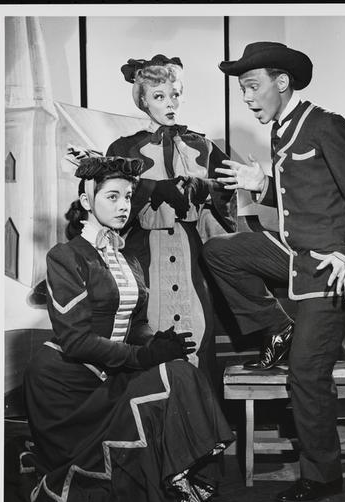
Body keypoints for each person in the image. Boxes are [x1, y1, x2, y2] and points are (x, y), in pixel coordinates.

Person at [202, 42, 345, 502]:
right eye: (242, 90)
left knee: (306, 374)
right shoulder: (283, 130)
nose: (246, 98)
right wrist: (262, 185)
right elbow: (306, 201)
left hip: (332, 270)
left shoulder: (326, 125)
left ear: (282, 82)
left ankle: (322, 477)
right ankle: (276, 326)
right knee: (220, 252)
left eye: (252, 86)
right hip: (297, 255)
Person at [21, 156, 234, 502]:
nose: (123, 206)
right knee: (169, 376)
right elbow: (76, 341)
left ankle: (179, 485)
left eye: (128, 197)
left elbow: (136, 325)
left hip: (111, 370)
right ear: (87, 201)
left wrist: (156, 341)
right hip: (66, 383)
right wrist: (144, 356)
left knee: (180, 370)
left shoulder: (128, 259)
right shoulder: (66, 257)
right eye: (113, 197)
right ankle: (172, 491)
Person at [106, 54, 236, 381]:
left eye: (175, 94)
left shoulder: (203, 146)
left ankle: (199, 409)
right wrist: (152, 189)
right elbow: (108, 200)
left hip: (193, 252)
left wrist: (204, 187)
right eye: (159, 96)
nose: (170, 103)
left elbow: (229, 189)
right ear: (143, 101)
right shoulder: (123, 148)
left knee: (200, 330)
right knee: (148, 332)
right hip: (142, 253)